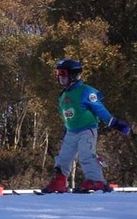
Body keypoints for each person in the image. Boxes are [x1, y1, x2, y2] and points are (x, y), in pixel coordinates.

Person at [42, 58, 131, 194]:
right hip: (71, 132)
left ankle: (96, 180)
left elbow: (100, 109)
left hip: (87, 130)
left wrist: (114, 123)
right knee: (64, 157)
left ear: (73, 75)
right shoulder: (63, 96)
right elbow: (66, 116)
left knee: (86, 155)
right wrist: (66, 130)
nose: (60, 77)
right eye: (58, 73)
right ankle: (60, 181)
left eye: (63, 73)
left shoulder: (86, 92)